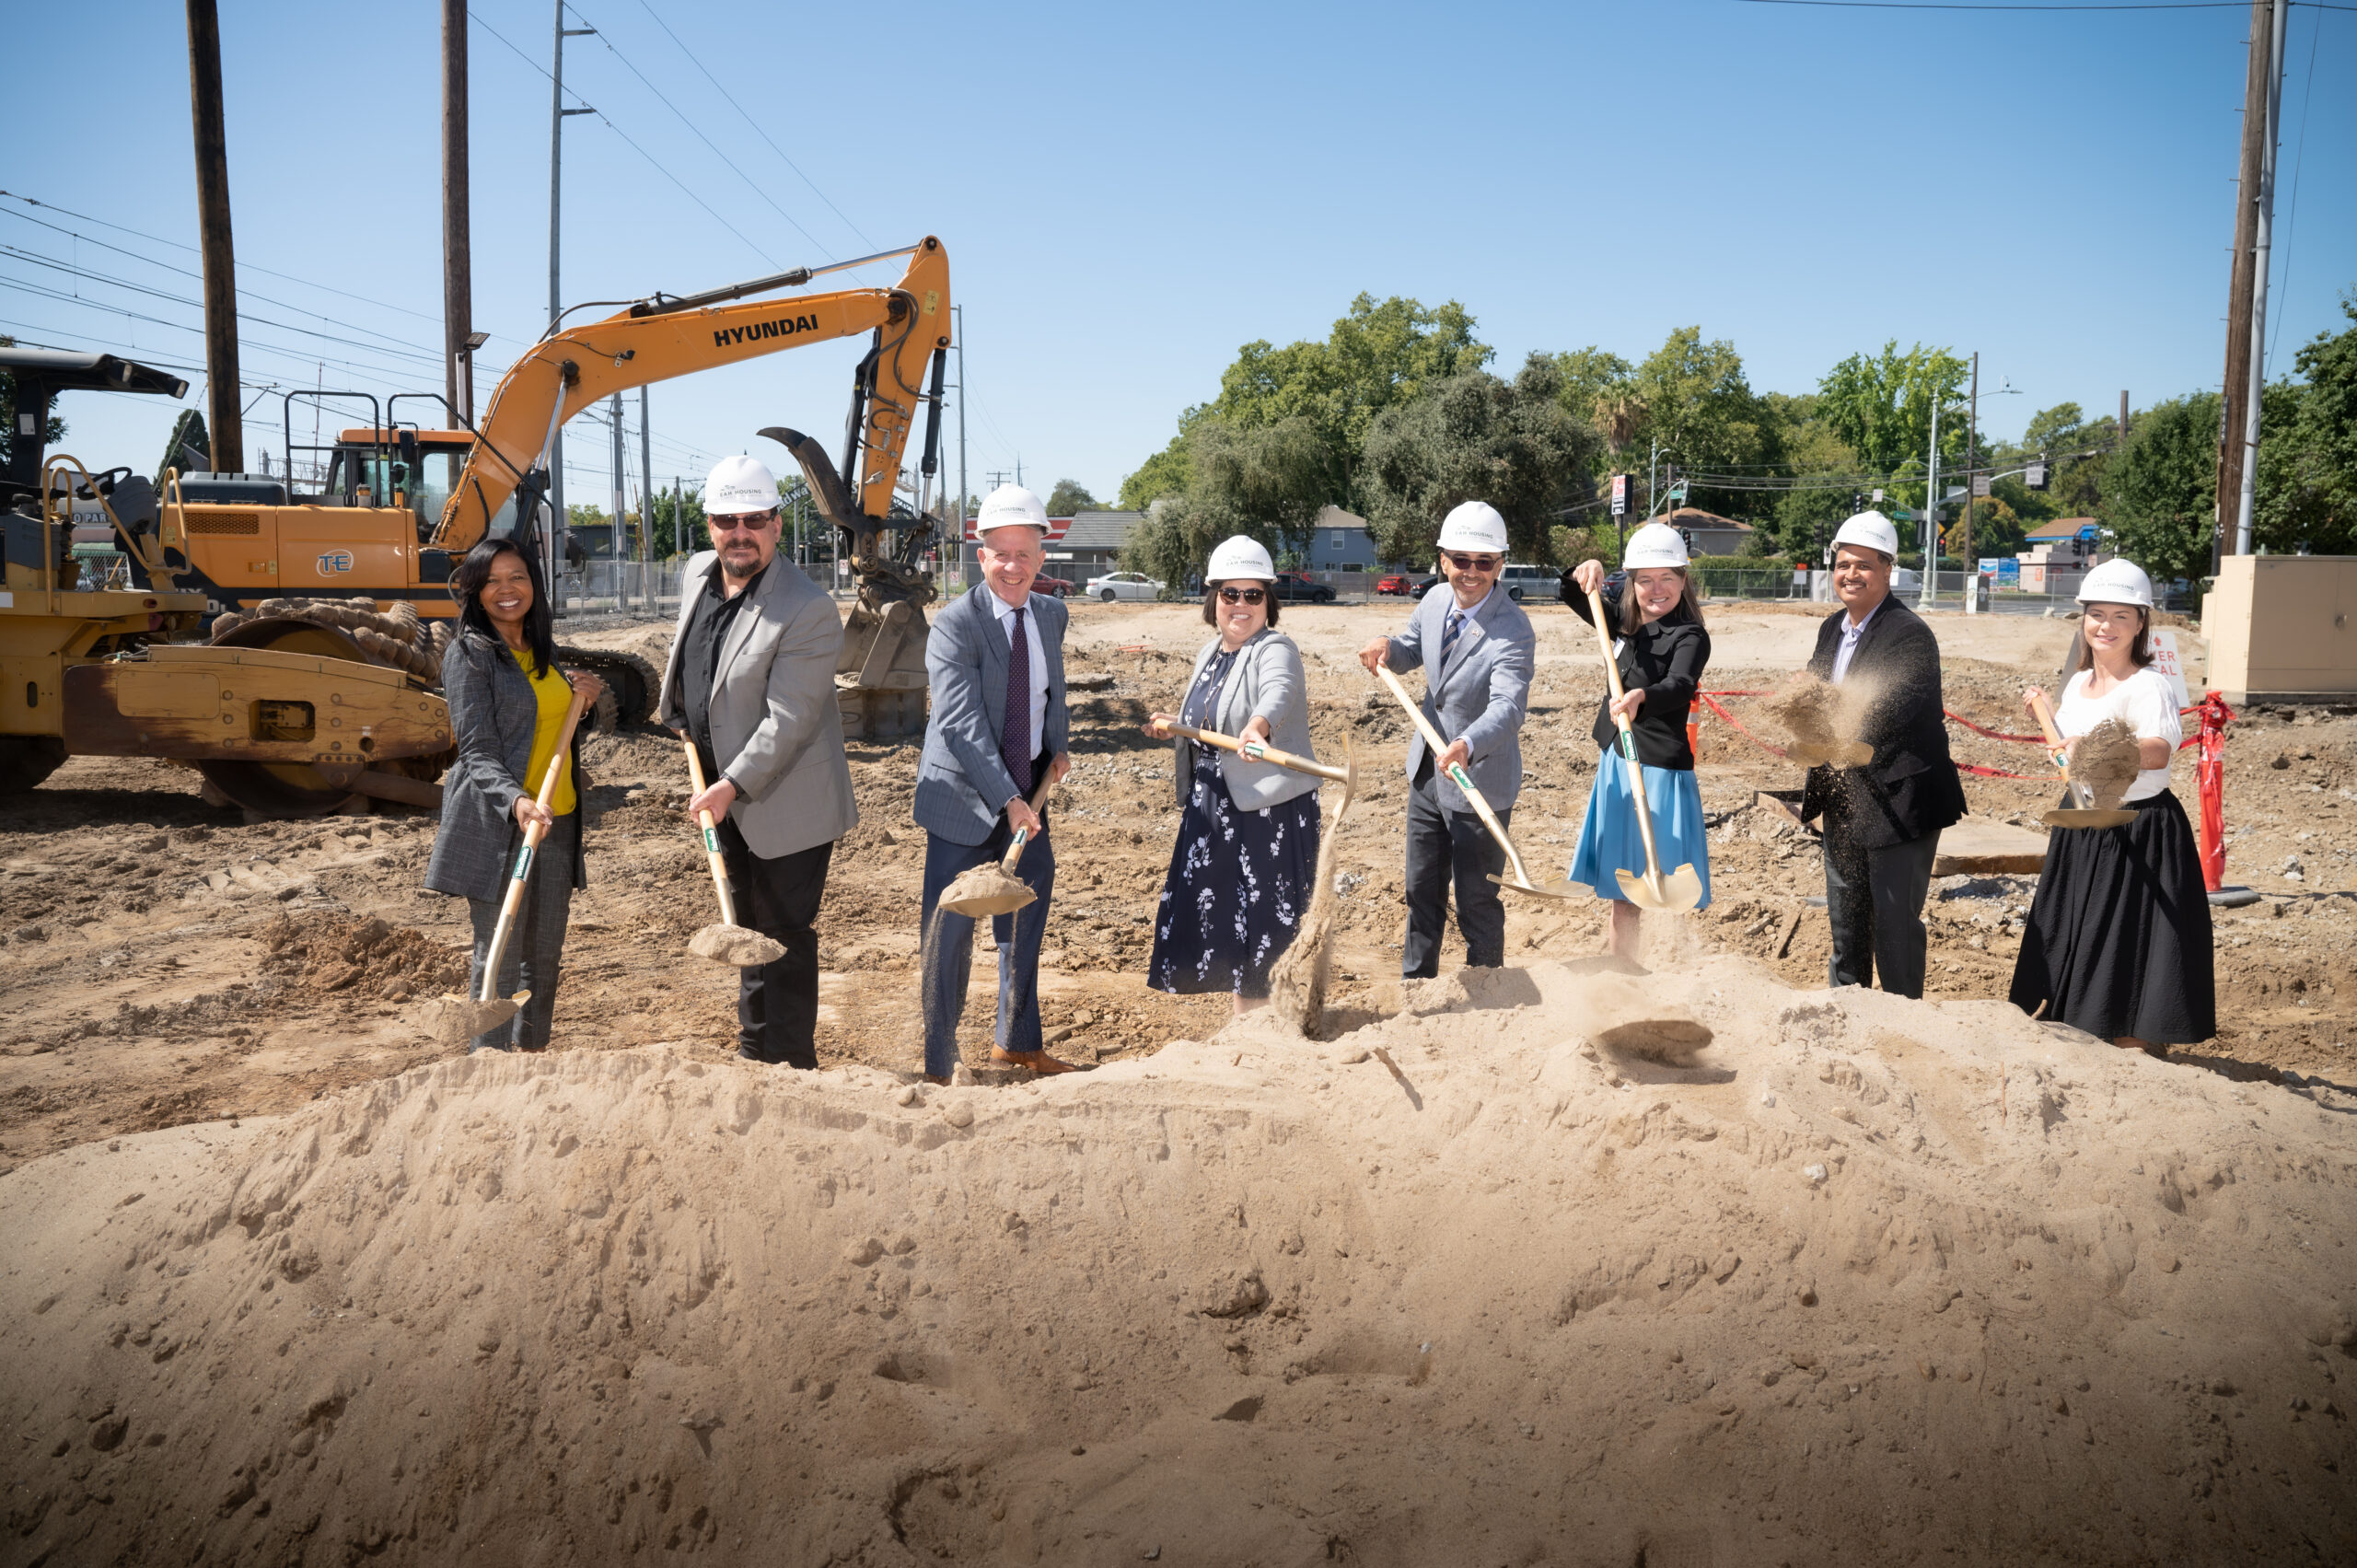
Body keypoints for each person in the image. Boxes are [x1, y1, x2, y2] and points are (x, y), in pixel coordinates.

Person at [656, 454, 856, 1070]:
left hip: (785, 798)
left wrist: (731, 783)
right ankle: (753, 1057)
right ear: (709, 525)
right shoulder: (697, 574)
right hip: (721, 795)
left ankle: (792, 1067)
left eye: (752, 519)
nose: (738, 532)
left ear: (776, 523)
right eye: (725, 520)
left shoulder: (807, 607)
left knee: (784, 939)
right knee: (745, 929)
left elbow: (789, 719)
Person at [2009, 558, 2213, 1055]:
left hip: (2139, 828)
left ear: (2141, 622)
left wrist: (2098, 747)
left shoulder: (2150, 685)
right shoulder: (2077, 684)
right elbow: (2068, 745)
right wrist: (2053, 723)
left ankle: (2136, 1040)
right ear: (2083, 619)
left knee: (2131, 937)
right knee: (2079, 925)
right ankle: (2081, 1024)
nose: (2106, 625)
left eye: (2121, 616)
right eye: (2097, 614)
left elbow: (2160, 749)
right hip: (2083, 821)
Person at [914, 484, 1074, 1082]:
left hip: (1028, 789)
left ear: (1041, 556)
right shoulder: (954, 625)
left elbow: (1049, 690)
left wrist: (1057, 748)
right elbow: (958, 722)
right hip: (962, 792)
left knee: (1025, 916)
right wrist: (1007, 798)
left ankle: (1017, 1042)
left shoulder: (1052, 613)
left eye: (1024, 553)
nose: (1013, 566)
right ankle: (938, 1060)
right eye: (1000, 554)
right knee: (949, 930)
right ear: (981, 557)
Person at [424, 536, 605, 1051]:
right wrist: (517, 801)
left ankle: (529, 1062)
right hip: (501, 823)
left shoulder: (541, 649)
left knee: (544, 955)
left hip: (557, 817)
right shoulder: (469, 655)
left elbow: (552, 730)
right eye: (492, 582)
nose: (507, 590)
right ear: (476, 593)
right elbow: (477, 751)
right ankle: (488, 1068)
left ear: (534, 584)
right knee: (499, 953)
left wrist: (583, 704)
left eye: (518, 577)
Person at [1144, 536, 1322, 1015]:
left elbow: (1277, 692)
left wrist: (1259, 727)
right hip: (1215, 808)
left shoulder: (1275, 648)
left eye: (1252, 595)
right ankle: (1247, 1028)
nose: (1240, 605)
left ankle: (1265, 1035)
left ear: (1269, 600)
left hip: (1267, 812)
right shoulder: (1210, 653)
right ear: (1213, 598)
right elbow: (1204, 721)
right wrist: (1174, 727)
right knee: (1228, 924)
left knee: (1263, 928)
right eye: (1230, 594)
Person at [1356, 500, 1535, 979]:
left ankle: (1486, 987)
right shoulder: (1434, 600)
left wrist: (1468, 744)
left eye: (1483, 563)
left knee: (1476, 896)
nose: (1471, 573)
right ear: (1443, 561)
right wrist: (1388, 649)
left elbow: (1508, 706)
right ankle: (1417, 984)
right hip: (1426, 774)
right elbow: (1414, 647)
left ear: (1500, 564)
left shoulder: (1513, 630)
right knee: (1421, 886)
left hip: (1479, 775)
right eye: (1460, 561)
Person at [1798, 510, 1967, 998]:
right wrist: (1804, 697)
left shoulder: (1908, 633)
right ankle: (1845, 1007)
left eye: (1864, 565)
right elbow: (1818, 685)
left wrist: (1832, 719)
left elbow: (1896, 708)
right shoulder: (1833, 627)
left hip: (1899, 798)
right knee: (1846, 917)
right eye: (1844, 564)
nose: (1851, 574)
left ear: (1888, 570)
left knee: (1894, 925)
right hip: (1845, 793)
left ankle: (1902, 1020)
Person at [1562, 522, 1713, 958]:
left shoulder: (1689, 635)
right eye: (1645, 579)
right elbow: (1576, 596)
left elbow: (1681, 684)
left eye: (1668, 577)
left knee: (1664, 873)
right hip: (1620, 760)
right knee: (1624, 883)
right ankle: (1622, 965)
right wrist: (1584, 570)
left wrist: (1642, 696)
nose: (1657, 588)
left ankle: (1675, 965)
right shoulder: (1621, 622)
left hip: (1659, 769)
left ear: (1684, 580)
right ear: (1631, 582)